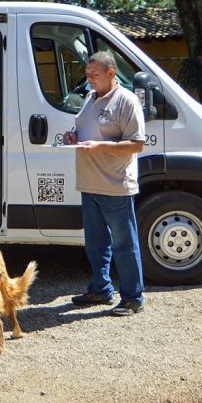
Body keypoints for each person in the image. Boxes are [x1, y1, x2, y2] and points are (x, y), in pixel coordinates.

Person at [65, 51, 147, 316]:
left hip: (115, 186)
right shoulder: (90, 98)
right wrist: (73, 136)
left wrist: (100, 146)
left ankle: (133, 297)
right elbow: (85, 129)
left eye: (94, 75)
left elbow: (137, 144)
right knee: (96, 243)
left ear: (111, 74)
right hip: (89, 184)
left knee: (124, 244)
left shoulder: (126, 101)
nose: (89, 80)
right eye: (87, 74)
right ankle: (101, 289)